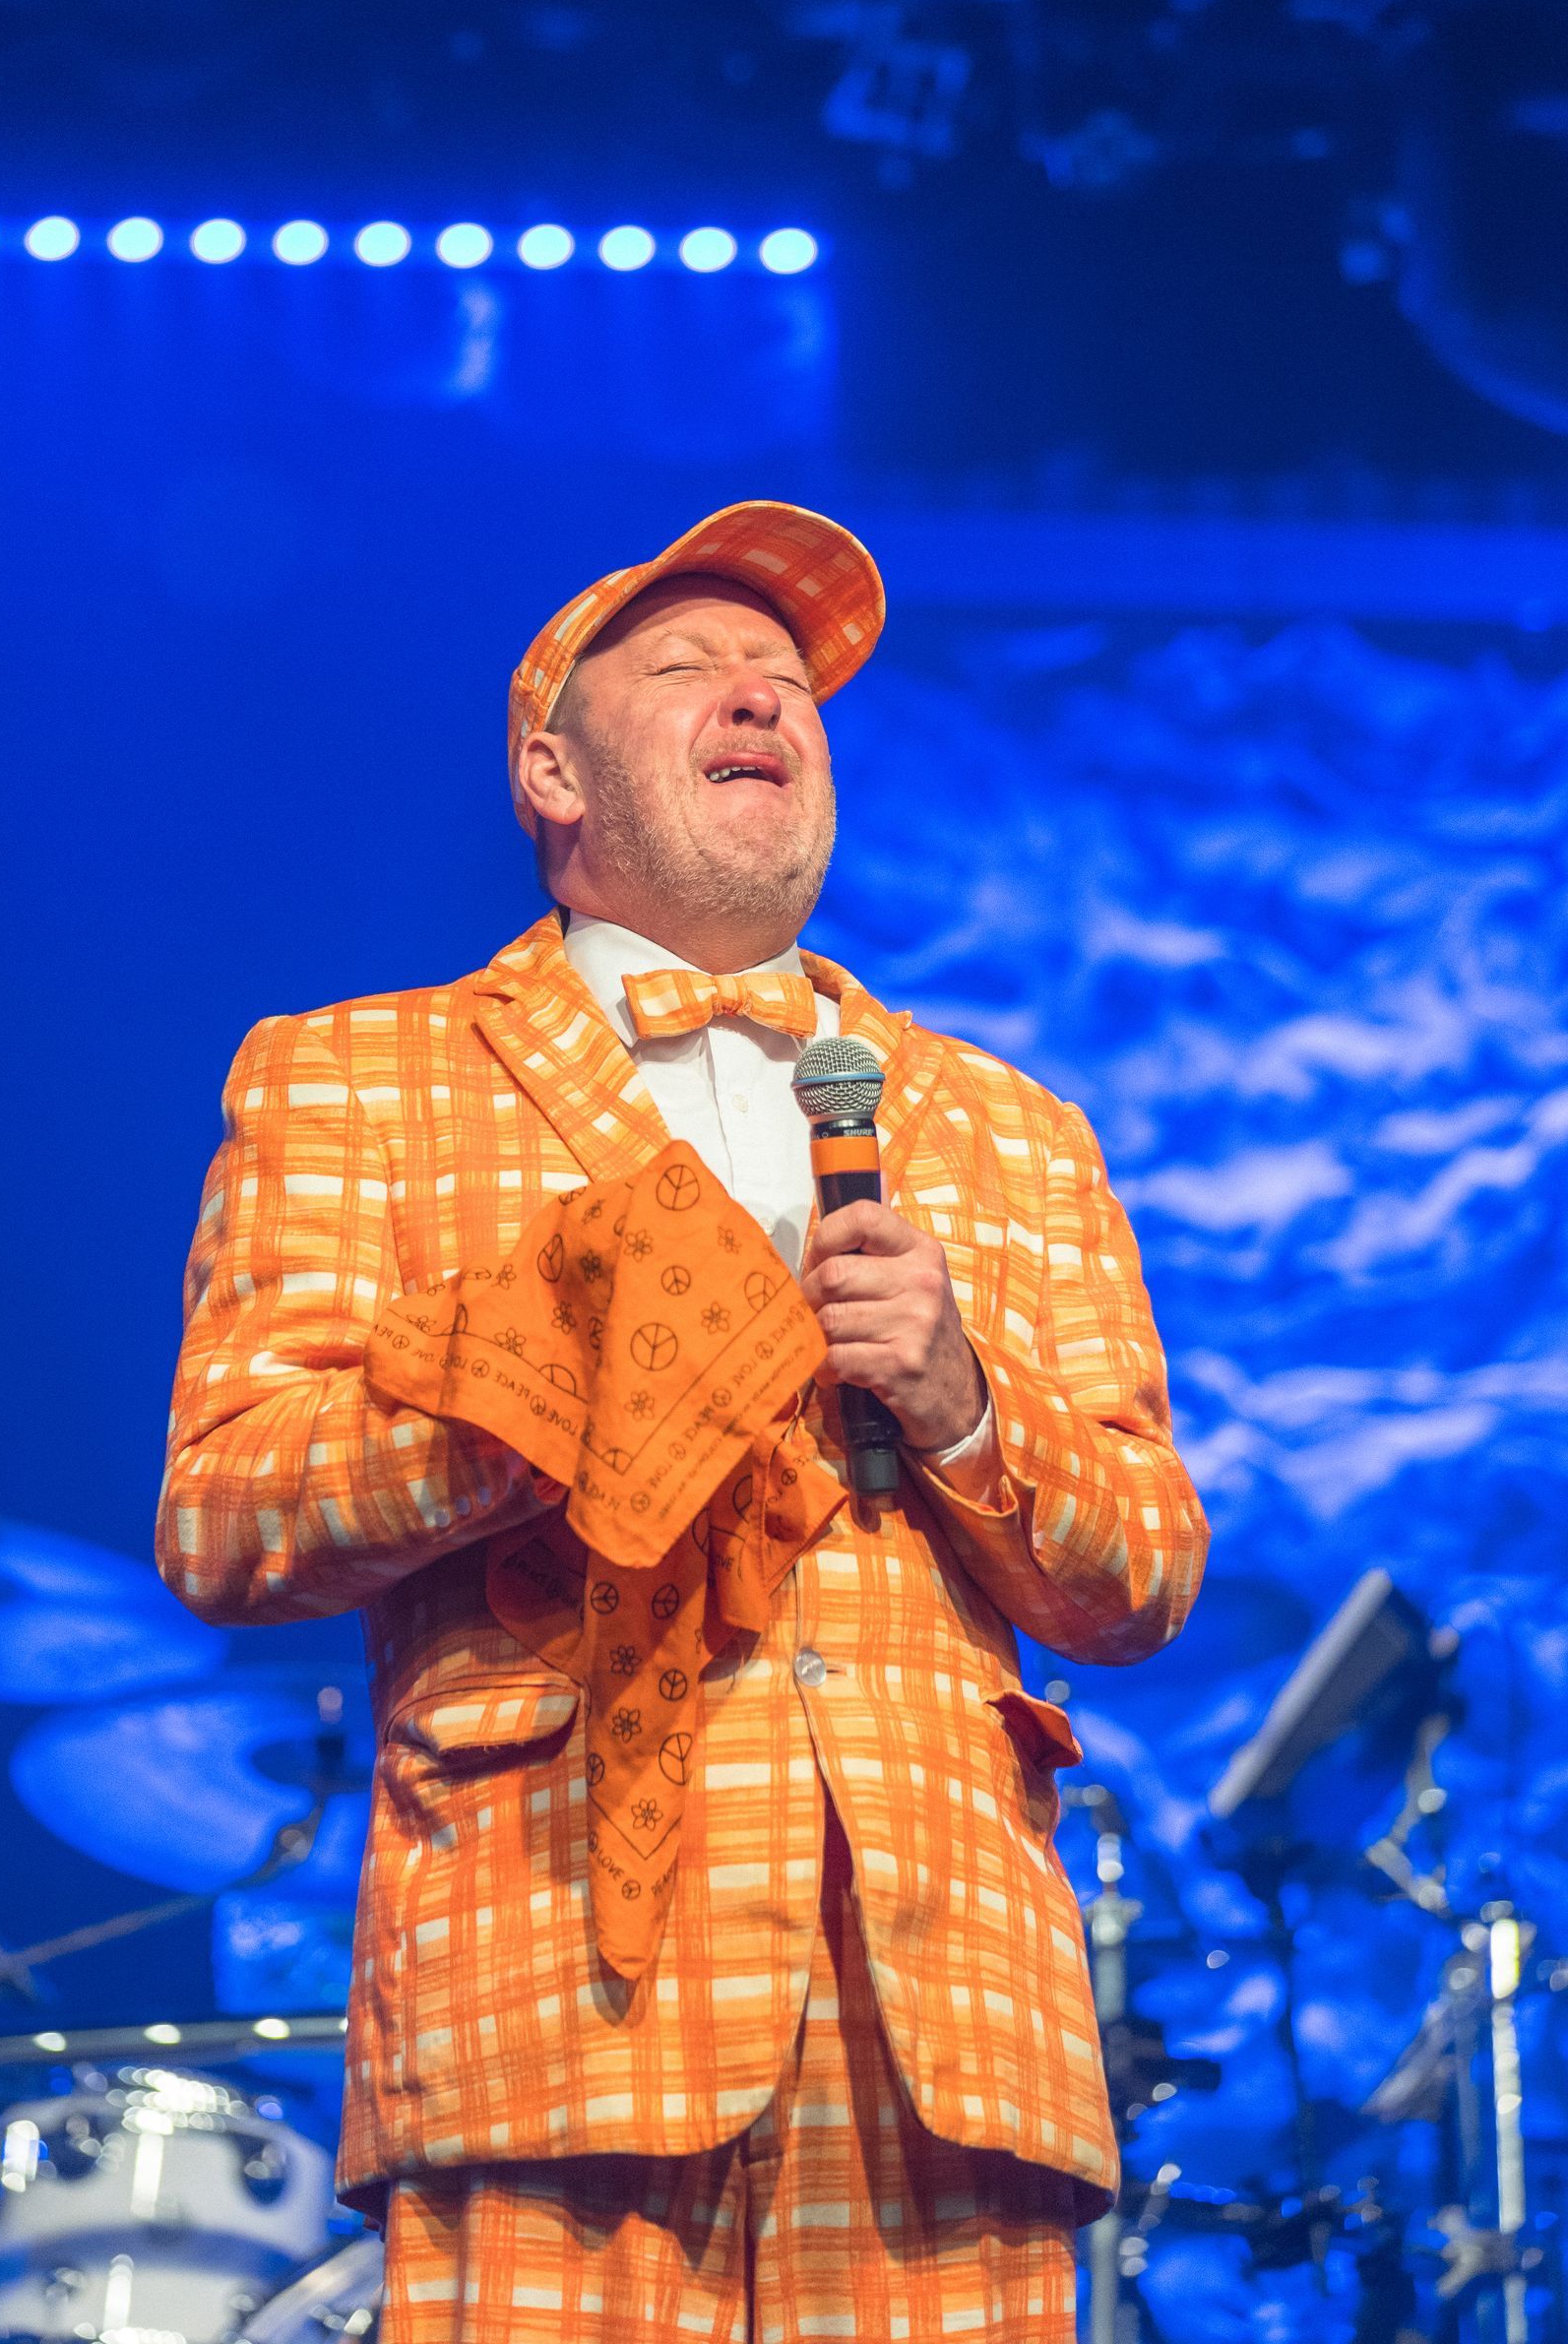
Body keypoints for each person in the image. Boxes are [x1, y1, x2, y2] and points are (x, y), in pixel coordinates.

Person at [158, 499, 1207, 2344]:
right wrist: (550, 1392)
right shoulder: (359, 1079)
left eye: (788, 681)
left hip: (943, 2023)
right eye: (691, 666)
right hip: (553, 1992)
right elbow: (229, 1520)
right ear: (551, 774)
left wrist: (964, 1406)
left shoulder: (1009, 1130)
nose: (761, 696)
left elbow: (1143, 1579)